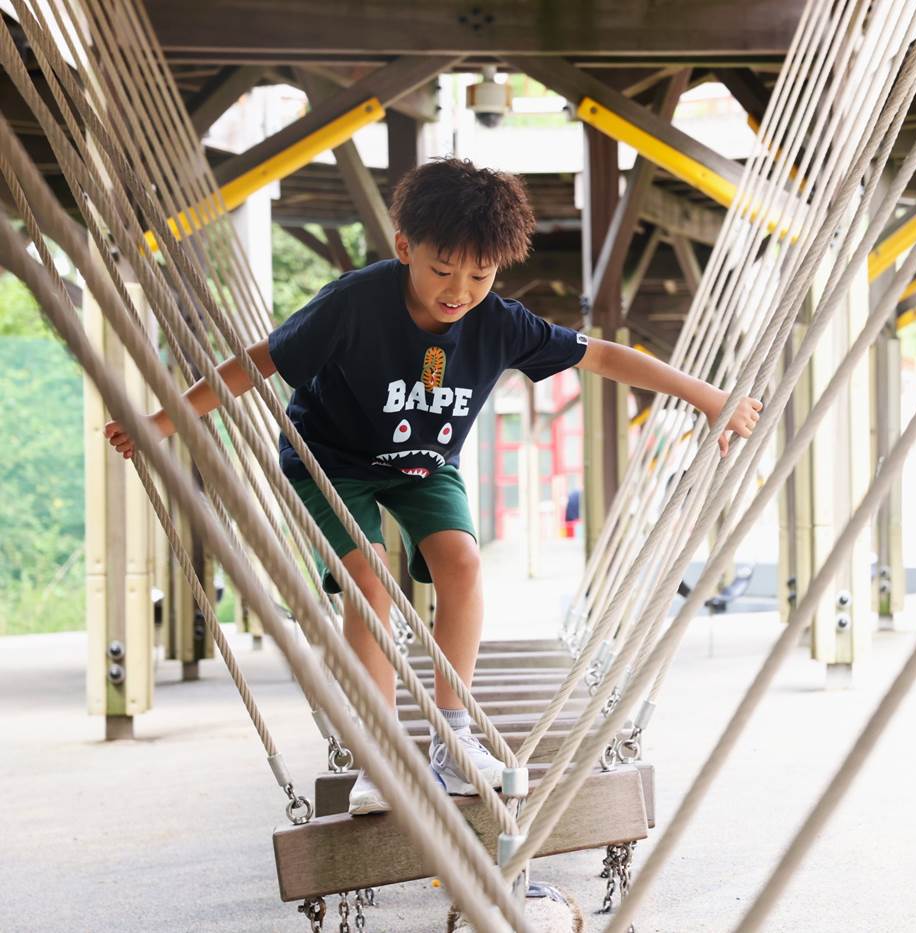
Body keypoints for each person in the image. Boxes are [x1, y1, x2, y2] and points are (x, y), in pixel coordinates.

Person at [105, 158, 762, 815]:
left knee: (463, 563)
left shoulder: (500, 322)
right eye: (443, 270)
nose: (459, 291)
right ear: (405, 248)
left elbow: (603, 355)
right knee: (369, 583)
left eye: (480, 275)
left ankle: (453, 739)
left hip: (424, 464)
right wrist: (160, 421)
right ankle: (381, 753)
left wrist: (709, 398)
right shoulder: (355, 302)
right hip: (330, 460)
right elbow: (258, 362)